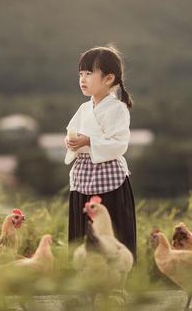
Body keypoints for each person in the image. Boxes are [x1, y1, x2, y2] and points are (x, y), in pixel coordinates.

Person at [65, 45, 137, 260]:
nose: (83, 79)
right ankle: (85, 282)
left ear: (108, 78)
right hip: (83, 173)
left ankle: (115, 285)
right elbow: (72, 132)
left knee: (112, 229)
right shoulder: (84, 108)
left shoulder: (117, 108)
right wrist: (71, 142)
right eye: (80, 74)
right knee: (83, 230)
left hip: (109, 176)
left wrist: (89, 141)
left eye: (89, 73)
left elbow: (119, 143)